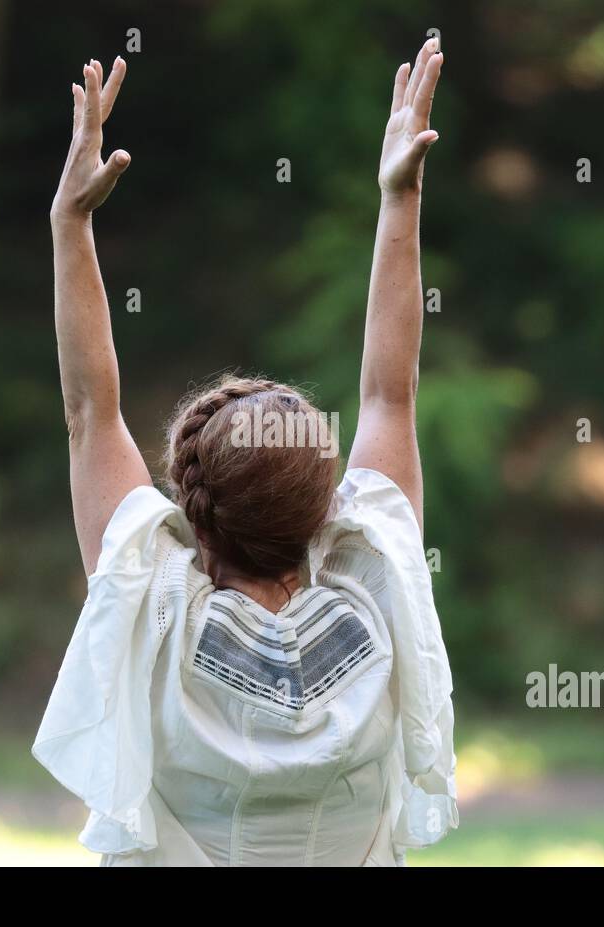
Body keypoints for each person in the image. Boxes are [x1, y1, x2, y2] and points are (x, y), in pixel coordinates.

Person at [33, 38, 456, 866]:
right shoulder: (379, 593)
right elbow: (390, 394)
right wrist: (398, 198)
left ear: (195, 513)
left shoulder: (149, 606)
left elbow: (91, 412)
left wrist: (70, 221)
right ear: (328, 511)